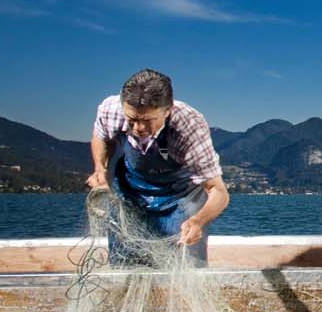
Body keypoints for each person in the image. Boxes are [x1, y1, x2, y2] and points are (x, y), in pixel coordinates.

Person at [85, 69, 229, 264]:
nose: (138, 128)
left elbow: (218, 191)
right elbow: (101, 137)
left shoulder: (189, 126)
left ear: (167, 110)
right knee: (124, 262)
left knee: (183, 261)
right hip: (129, 191)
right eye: (132, 120)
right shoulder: (110, 109)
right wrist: (100, 170)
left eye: (147, 120)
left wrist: (198, 221)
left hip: (179, 197)